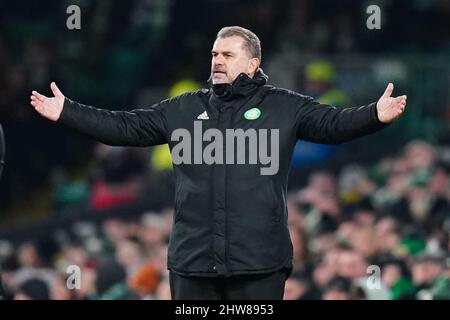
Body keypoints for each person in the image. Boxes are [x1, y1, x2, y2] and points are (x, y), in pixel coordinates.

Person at [30, 26, 407, 300]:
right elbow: (124, 127)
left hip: (260, 262)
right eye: (214, 54)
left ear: (253, 62)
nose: (217, 60)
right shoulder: (183, 108)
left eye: (227, 54)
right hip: (192, 263)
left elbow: (333, 124)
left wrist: (374, 114)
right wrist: (68, 111)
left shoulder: (285, 106)